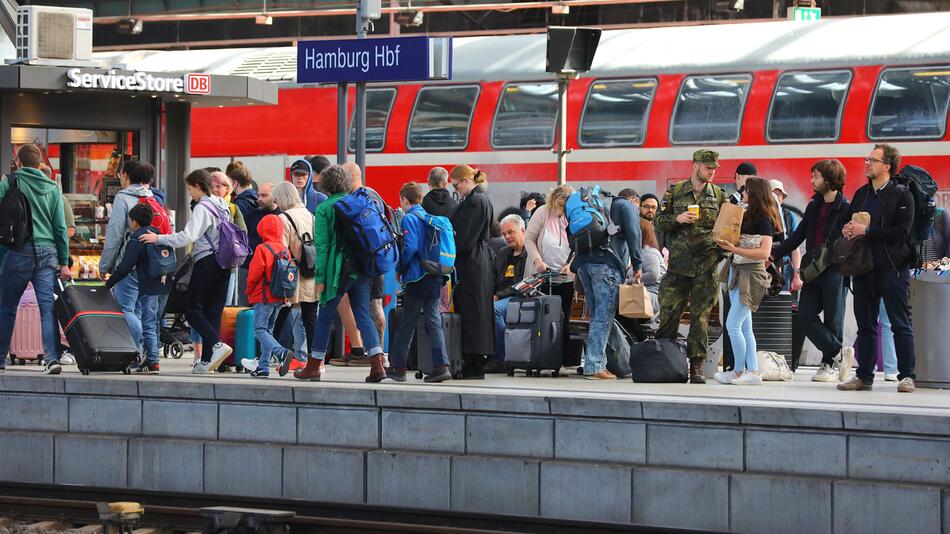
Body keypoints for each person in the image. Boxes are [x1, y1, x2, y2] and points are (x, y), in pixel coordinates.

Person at [292, 164, 387, 382]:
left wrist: (320, 279)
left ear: (325, 184)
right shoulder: (359, 201)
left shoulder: (325, 208)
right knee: (363, 315)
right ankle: (377, 363)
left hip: (337, 272)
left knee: (324, 316)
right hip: (361, 268)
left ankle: (314, 365)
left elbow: (323, 248)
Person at [839, 144, 917, 393]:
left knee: (899, 323)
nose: (867, 163)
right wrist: (848, 230)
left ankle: (907, 376)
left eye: (872, 160)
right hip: (864, 268)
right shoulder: (861, 194)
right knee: (866, 325)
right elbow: (849, 222)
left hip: (892, 268)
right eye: (867, 159)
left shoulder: (902, 195)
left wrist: (868, 231)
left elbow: (901, 234)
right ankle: (864, 377)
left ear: (887, 166)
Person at [140, 169, 234, 374]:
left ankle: (217, 345)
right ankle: (206, 361)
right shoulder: (223, 204)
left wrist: (159, 239)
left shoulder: (203, 207)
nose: (190, 193)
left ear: (199, 186)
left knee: (192, 309)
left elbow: (187, 237)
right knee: (212, 313)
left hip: (206, 261)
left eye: (190, 189)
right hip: (225, 264)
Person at [771, 160, 852, 382]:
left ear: (828, 179)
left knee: (833, 319)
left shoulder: (846, 207)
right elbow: (798, 237)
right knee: (805, 315)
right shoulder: (814, 206)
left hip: (835, 269)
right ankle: (839, 353)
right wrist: (775, 252)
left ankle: (829, 365)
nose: (812, 181)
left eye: (815, 177)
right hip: (814, 269)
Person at [655, 149, 727, 383]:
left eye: (715, 168)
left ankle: (695, 367)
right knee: (668, 314)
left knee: (701, 319)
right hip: (678, 267)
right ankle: (664, 360)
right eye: (708, 167)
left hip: (706, 268)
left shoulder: (718, 195)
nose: (713, 171)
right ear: (695, 166)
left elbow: (728, 228)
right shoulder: (675, 192)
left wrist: (720, 252)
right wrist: (677, 219)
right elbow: (658, 221)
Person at [0, 144, 71, 375]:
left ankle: (1, 358)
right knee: (47, 307)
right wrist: (64, 261)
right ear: (39, 164)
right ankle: (51, 359)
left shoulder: (10, 181)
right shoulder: (52, 188)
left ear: (18, 162)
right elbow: (61, 228)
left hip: (19, 250)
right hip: (48, 252)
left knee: (8, 306)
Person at [713, 177, 781, 385]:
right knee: (744, 327)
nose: (742, 192)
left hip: (751, 274)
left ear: (754, 193)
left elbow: (764, 252)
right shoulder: (744, 213)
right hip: (736, 271)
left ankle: (739, 370)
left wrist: (734, 249)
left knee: (733, 324)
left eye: (746, 190)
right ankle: (752, 370)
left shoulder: (764, 219)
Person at [571, 187, 642, 380]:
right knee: (603, 317)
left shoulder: (598, 206)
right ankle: (594, 366)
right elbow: (634, 234)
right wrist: (637, 264)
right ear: (635, 201)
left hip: (584, 266)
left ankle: (608, 364)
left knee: (597, 316)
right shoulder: (627, 206)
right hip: (606, 266)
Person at [385, 182, 452, 383]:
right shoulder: (428, 218)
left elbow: (411, 248)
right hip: (435, 274)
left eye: (401, 201)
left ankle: (397, 368)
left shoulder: (409, 219)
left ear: (405, 200)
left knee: (407, 322)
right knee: (433, 320)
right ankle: (441, 366)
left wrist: (400, 269)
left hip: (418, 276)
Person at [100, 160, 163, 342]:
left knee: (124, 309)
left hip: (130, 262)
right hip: (150, 263)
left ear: (125, 175)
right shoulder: (153, 197)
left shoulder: (123, 197)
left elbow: (115, 234)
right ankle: (140, 351)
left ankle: (143, 345)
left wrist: (105, 265)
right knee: (138, 310)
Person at [105, 203, 168, 374]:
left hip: (145, 283)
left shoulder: (137, 238)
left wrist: (109, 283)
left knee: (143, 320)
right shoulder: (157, 234)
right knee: (148, 319)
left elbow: (125, 266)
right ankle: (147, 357)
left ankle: (152, 360)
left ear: (134, 222)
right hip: (159, 283)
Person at [450, 164, 495, 379]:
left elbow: (463, 238)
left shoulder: (473, 202)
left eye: (457, 185)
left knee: (470, 310)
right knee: (479, 309)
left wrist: (449, 249)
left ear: (466, 181)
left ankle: (473, 361)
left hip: (470, 263)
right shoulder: (483, 198)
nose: (456, 190)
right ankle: (476, 359)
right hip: (480, 260)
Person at [342, 162, 389, 359]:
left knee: (368, 306)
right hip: (379, 256)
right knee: (375, 303)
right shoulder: (375, 195)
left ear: (351, 177)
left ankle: (373, 353)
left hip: (364, 261)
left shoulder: (355, 199)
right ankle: (378, 352)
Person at [524, 185, 575, 363]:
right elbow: (529, 238)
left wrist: (571, 265)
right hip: (543, 275)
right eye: (558, 208)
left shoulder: (575, 214)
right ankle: (543, 355)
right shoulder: (542, 212)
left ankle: (567, 358)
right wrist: (537, 260)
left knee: (568, 317)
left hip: (567, 277)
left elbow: (580, 244)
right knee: (545, 317)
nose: (560, 213)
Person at [270, 181, 317, 378]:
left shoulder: (284, 217)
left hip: (295, 273)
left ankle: (276, 354)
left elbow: (281, 249)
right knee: (310, 318)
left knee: (287, 314)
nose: (276, 203)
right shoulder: (309, 214)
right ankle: (315, 360)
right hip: (312, 270)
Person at [240, 214, 294, 378]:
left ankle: (281, 352)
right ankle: (263, 366)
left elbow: (254, 274)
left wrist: (248, 290)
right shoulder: (285, 249)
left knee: (259, 330)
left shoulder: (262, 249)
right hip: (279, 296)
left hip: (263, 296)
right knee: (268, 330)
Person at [488, 214, 528, 372]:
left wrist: (498, 296)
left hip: (521, 297)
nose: (507, 237)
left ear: (523, 230)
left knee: (495, 309)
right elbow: (493, 278)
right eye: (504, 234)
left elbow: (522, 283)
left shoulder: (530, 252)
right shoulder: (504, 253)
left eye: (511, 232)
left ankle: (502, 358)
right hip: (501, 296)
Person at [769, 179, 803, 292]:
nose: (777, 197)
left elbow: (795, 247)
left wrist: (797, 275)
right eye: (774, 193)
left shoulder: (789, 216)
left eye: (780, 195)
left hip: (785, 269)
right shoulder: (760, 215)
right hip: (764, 268)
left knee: (783, 306)